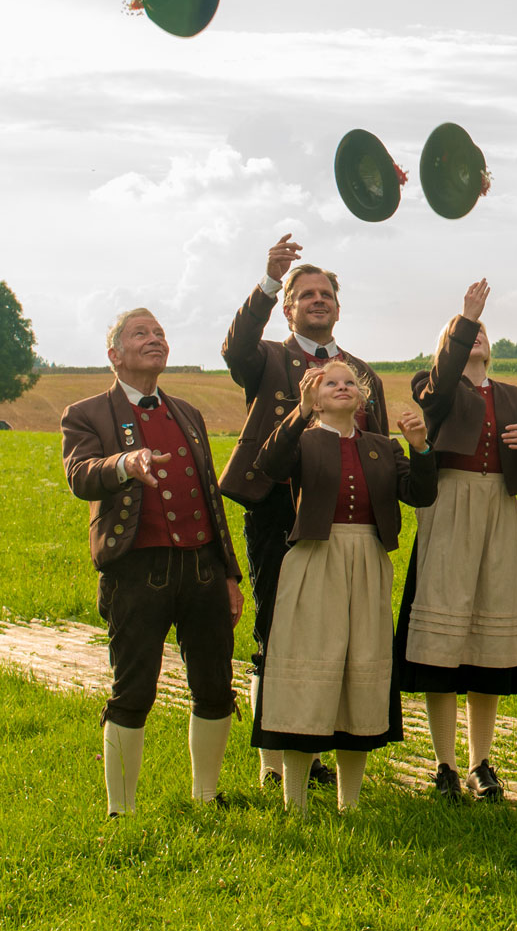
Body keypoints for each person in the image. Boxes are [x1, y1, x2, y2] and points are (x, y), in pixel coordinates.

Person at [221, 235, 389, 791]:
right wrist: (269, 279)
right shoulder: (267, 358)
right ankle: (275, 757)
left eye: (326, 295)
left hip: (341, 525)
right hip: (274, 508)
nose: (317, 300)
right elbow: (235, 347)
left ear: (338, 307)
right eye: (305, 294)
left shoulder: (362, 373)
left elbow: (379, 452)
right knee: (277, 630)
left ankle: (323, 741)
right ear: (289, 307)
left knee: (340, 636)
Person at [61, 308, 244, 815]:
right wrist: (125, 463)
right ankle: (122, 811)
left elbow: (212, 499)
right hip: (137, 573)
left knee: (214, 685)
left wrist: (229, 574)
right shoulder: (87, 414)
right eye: (141, 333)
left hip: (203, 569)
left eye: (160, 332)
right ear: (114, 354)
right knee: (133, 690)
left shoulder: (188, 412)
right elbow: (80, 474)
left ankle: (206, 796)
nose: (155, 338)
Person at [240, 358, 433, 814]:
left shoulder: (384, 447)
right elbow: (268, 464)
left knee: (360, 675)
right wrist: (300, 412)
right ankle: (295, 803)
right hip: (314, 559)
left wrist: (422, 448)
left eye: (350, 382)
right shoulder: (304, 441)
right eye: (330, 383)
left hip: (368, 561)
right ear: (315, 395)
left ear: (363, 397)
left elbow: (421, 495)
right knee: (308, 673)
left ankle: (350, 803)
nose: (342, 387)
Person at [398, 280, 517, 802]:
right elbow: (439, 387)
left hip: (499, 515)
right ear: (451, 346)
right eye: (464, 334)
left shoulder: (515, 396)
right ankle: (443, 764)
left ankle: (480, 763)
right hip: (449, 509)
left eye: (482, 330)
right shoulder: (433, 388)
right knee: (443, 643)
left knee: (489, 643)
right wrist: (464, 319)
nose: (476, 337)